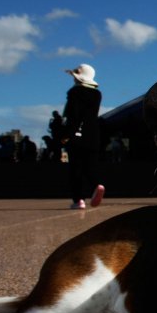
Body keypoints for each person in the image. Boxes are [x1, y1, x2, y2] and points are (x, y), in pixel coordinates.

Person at [61, 64, 104, 209]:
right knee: (90, 165)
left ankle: (79, 200)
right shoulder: (97, 94)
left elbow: (74, 115)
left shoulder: (75, 92)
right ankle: (96, 185)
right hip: (93, 134)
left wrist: (67, 134)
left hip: (76, 134)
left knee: (76, 168)